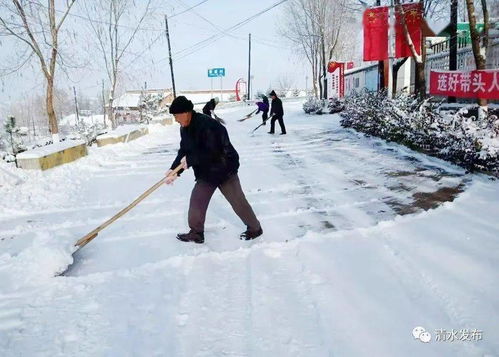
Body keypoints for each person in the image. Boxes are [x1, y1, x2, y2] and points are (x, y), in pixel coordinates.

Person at [165, 96, 263, 243]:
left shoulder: (207, 125)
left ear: (186, 112)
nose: (176, 120)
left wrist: (190, 160)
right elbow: (184, 150)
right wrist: (174, 170)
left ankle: (255, 228)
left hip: (224, 168)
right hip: (206, 172)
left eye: (176, 116)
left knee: (238, 201)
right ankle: (196, 232)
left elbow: (213, 151)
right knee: (197, 201)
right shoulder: (184, 128)